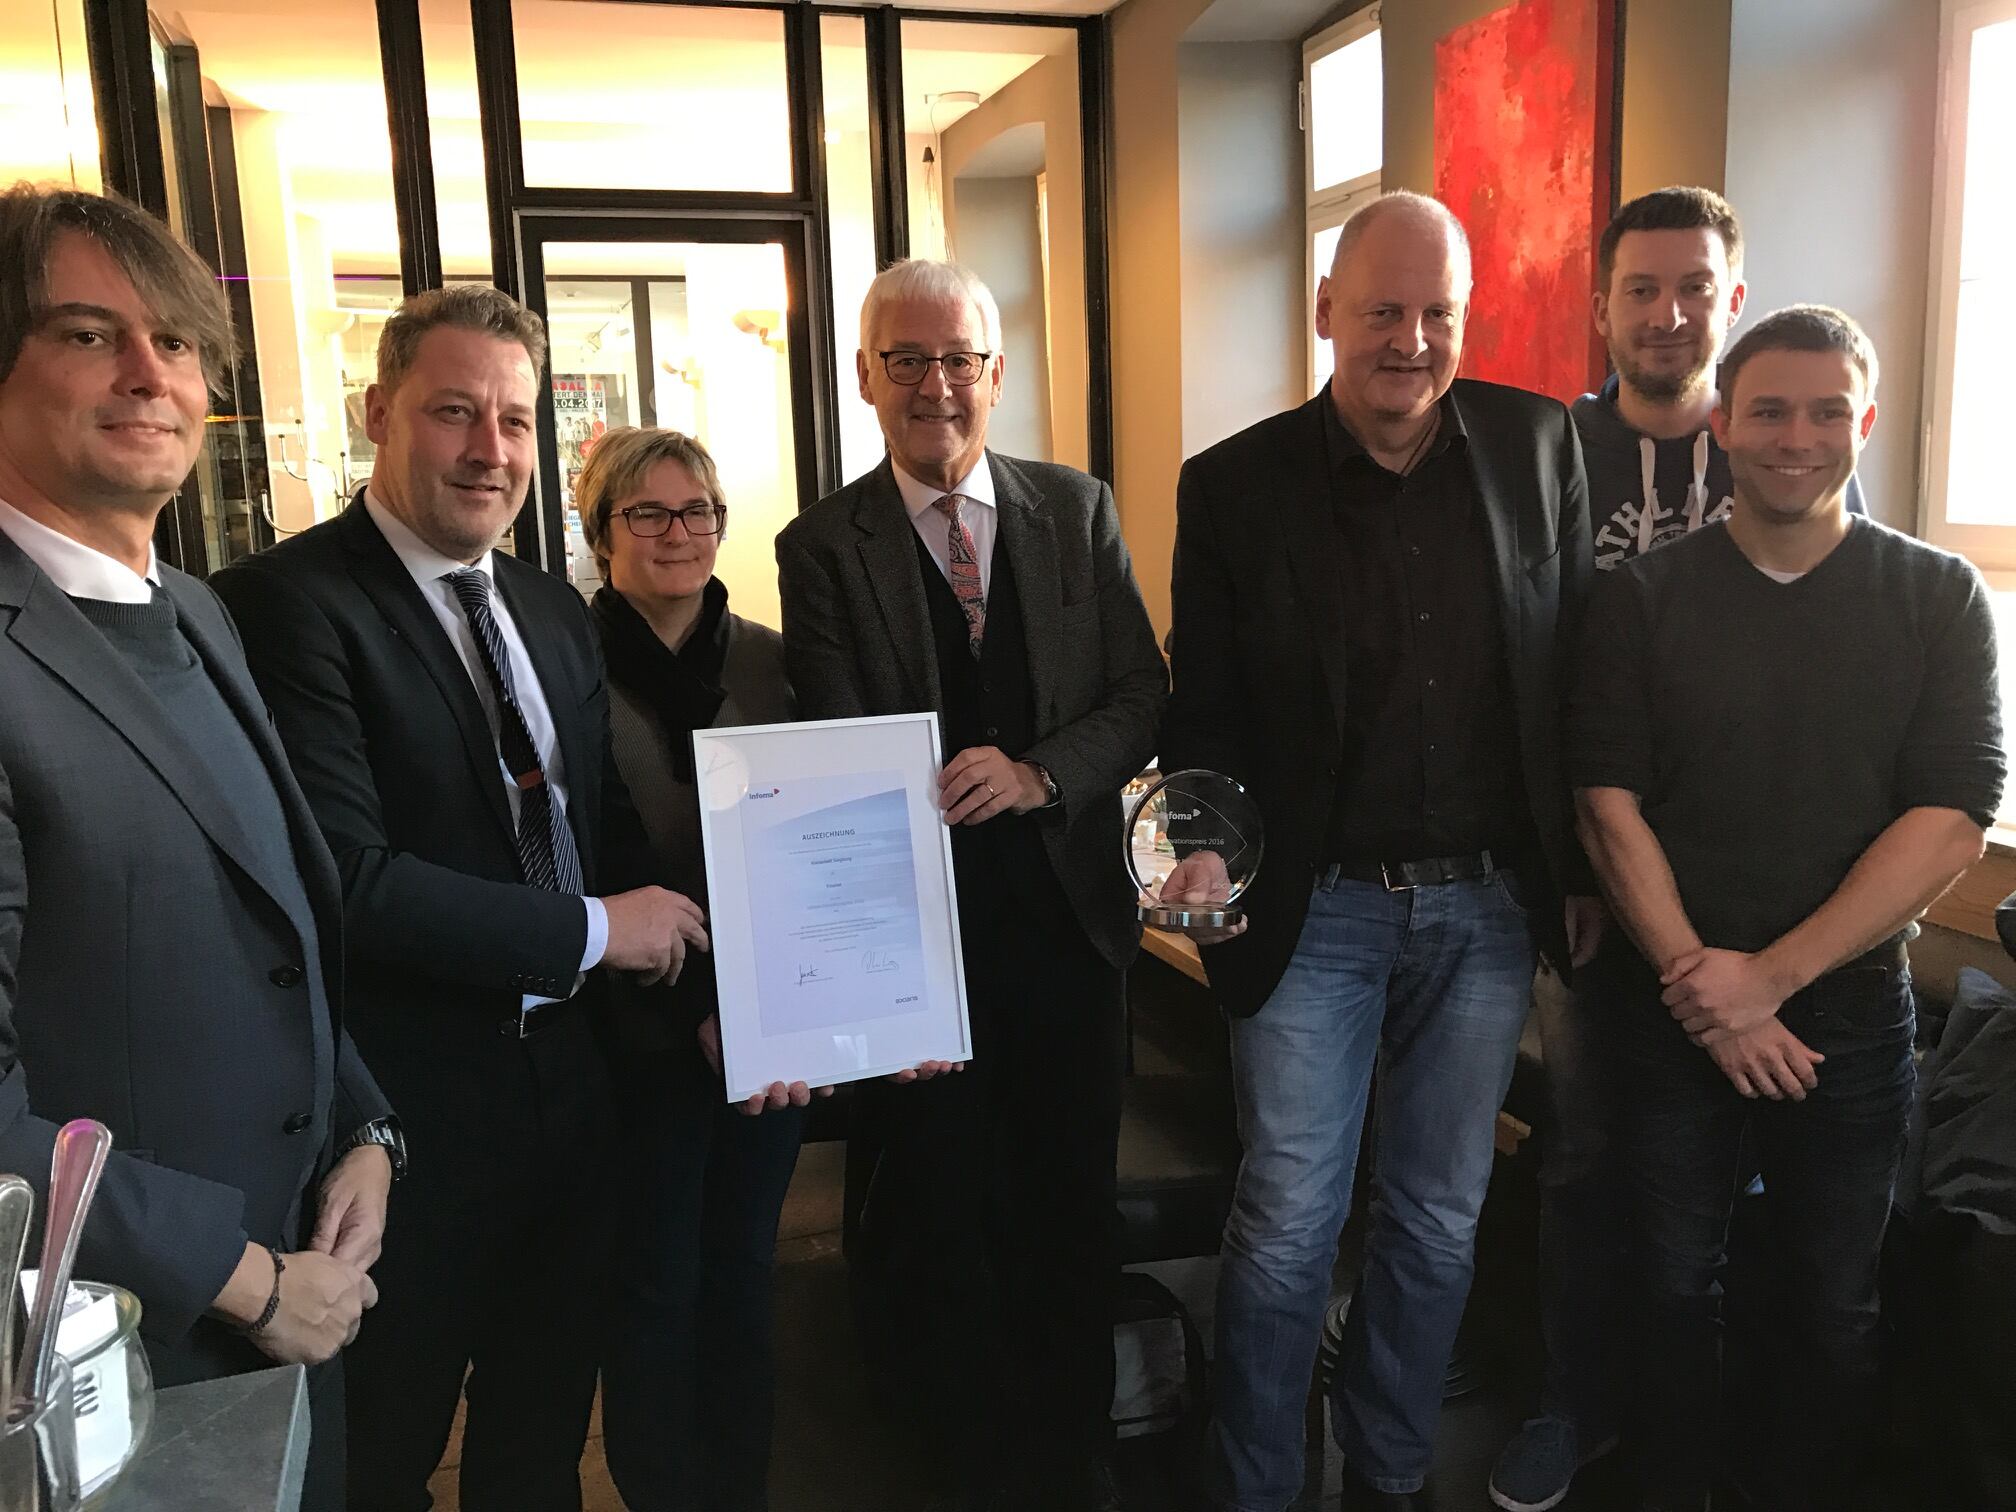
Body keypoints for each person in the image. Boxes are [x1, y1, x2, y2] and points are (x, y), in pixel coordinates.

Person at [211, 287, 707, 1512]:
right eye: (454, 412)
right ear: (378, 412)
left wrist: (731, 992)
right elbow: (348, 880)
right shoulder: (284, 605)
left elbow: (598, 830)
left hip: (574, 1095)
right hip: (405, 1119)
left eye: (516, 420)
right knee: (384, 1448)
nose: (491, 449)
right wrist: (603, 931)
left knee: (542, 1437)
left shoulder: (549, 608)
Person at [1160, 190, 1597, 1512]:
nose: (1411, 340)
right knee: (1291, 1220)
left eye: (1437, 313)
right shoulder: (1233, 485)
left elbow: (1571, 674)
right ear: (1326, 314)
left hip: (1486, 911)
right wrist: (1201, 849)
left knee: (1437, 1219)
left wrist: (1577, 875)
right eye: (1383, 312)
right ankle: (1260, 1487)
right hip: (1316, 913)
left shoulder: (1537, 444)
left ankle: (1392, 1474)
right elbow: (1205, 706)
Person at [1568, 305, 2002, 1512]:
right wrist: (1709, 994)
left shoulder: (1939, 596)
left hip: (1849, 1021)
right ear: (1723, 423)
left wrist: (1767, 981)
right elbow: (1606, 802)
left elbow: (1954, 819)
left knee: (1833, 1304)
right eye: (1768, 410)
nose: (1796, 437)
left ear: (1866, 423)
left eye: (1825, 412)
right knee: (1669, 1290)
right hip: (1669, 1011)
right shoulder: (1643, 599)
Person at [0, 184, 390, 1510]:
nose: (147, 372)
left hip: (290, 1315)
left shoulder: (196, 614)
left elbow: (275, 931)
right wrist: (246, 1280)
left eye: (172, 340)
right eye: (85, 334)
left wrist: (367, 1130)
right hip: (102, 1368)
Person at [1491, 184, 1868, 1512]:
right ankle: (1574, 1400)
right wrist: (1572, 871)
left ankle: (1719, 1433)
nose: (1668, 313)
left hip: (1776, 913)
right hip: (1603, 891)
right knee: (1590, 1156)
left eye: (1695, 286)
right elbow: (1525, 676)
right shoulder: (1545, 453)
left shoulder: (1790, 449)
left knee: (1753, 1197)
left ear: (1733, 297)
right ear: (1601, 306)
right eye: (1641, 289)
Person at [775, 259, 1166, 1512]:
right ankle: (954, 1466)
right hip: (913, 940)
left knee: (1069, 1211)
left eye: (958, 360)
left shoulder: (1076, 509)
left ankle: (1074, 1460)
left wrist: (1041, 774)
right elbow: (839, 737)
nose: (934, 385)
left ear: (997, 374)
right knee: (939, 1215)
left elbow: (1141, 693)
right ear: (866, 376)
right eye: (907, 359)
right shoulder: (821, 546)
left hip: (1069, 934)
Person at [577, 426, 814, 1512]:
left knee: (746, 1270)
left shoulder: (778, 662)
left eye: (699, 512)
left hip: (765, 1020)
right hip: (632, 1028)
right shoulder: (562, 665)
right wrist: (693, 1005)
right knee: (656, 1276)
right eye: (648, 513)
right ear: (602, 532)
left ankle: (739, 1487)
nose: (678, 533)